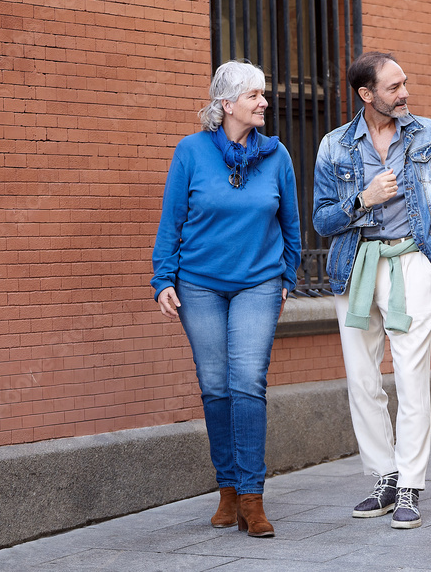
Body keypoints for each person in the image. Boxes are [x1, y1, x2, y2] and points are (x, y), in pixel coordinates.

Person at [312, 52, 431, 530]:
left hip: (413, 264)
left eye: (405, 82)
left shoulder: (428, 133)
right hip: (356, 267)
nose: (405, 93)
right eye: (394, 86)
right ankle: (383, 476)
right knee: (363, 380)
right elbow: (321, 219)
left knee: (410, 376)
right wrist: (363, 199)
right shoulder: (335, 146)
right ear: (367, 95)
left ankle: (410, 487)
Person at [151, 60, 302, 538]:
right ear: (226, 103)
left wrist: (286, 277)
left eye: (263, 93)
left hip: (258, 282)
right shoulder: (191, 152)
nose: (264, 102)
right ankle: (228, 491)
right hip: (199, 285)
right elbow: (172, 220)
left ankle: (253, 499)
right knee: (215, 385)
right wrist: (163, 278)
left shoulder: (276, 157)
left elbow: (292, 226)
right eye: (254, 95)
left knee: (247, 382)